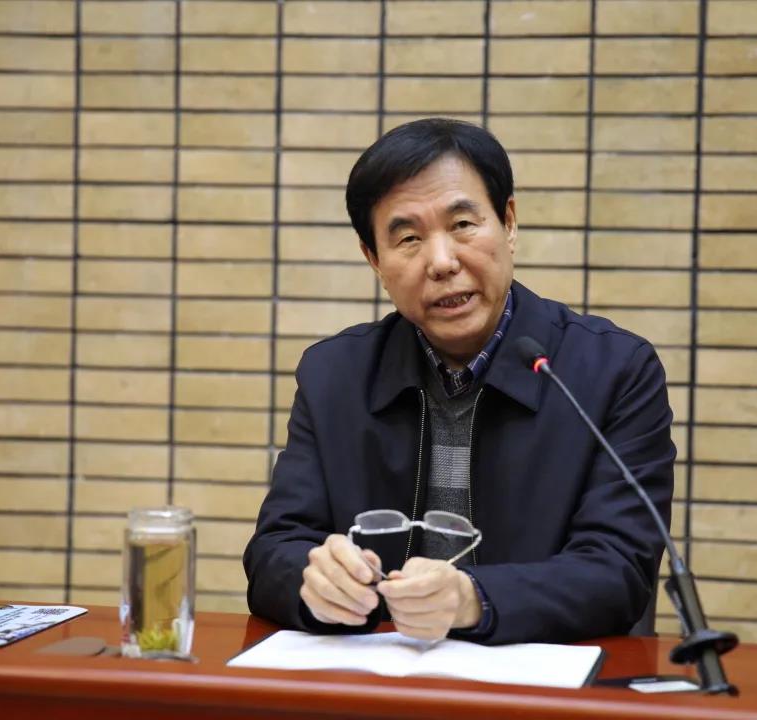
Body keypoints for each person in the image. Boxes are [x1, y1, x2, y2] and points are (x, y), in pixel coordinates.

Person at [243, 118, 675, 645]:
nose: (442, 262)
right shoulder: (334, 375)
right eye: (408, 238)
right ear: (374, 259)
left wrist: (474, 598)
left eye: (463, 225)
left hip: (541, 675)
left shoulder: (614, 370)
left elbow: (619, 569)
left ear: (508, 222)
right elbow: (274, 551)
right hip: (382, 674)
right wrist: (313, 581)